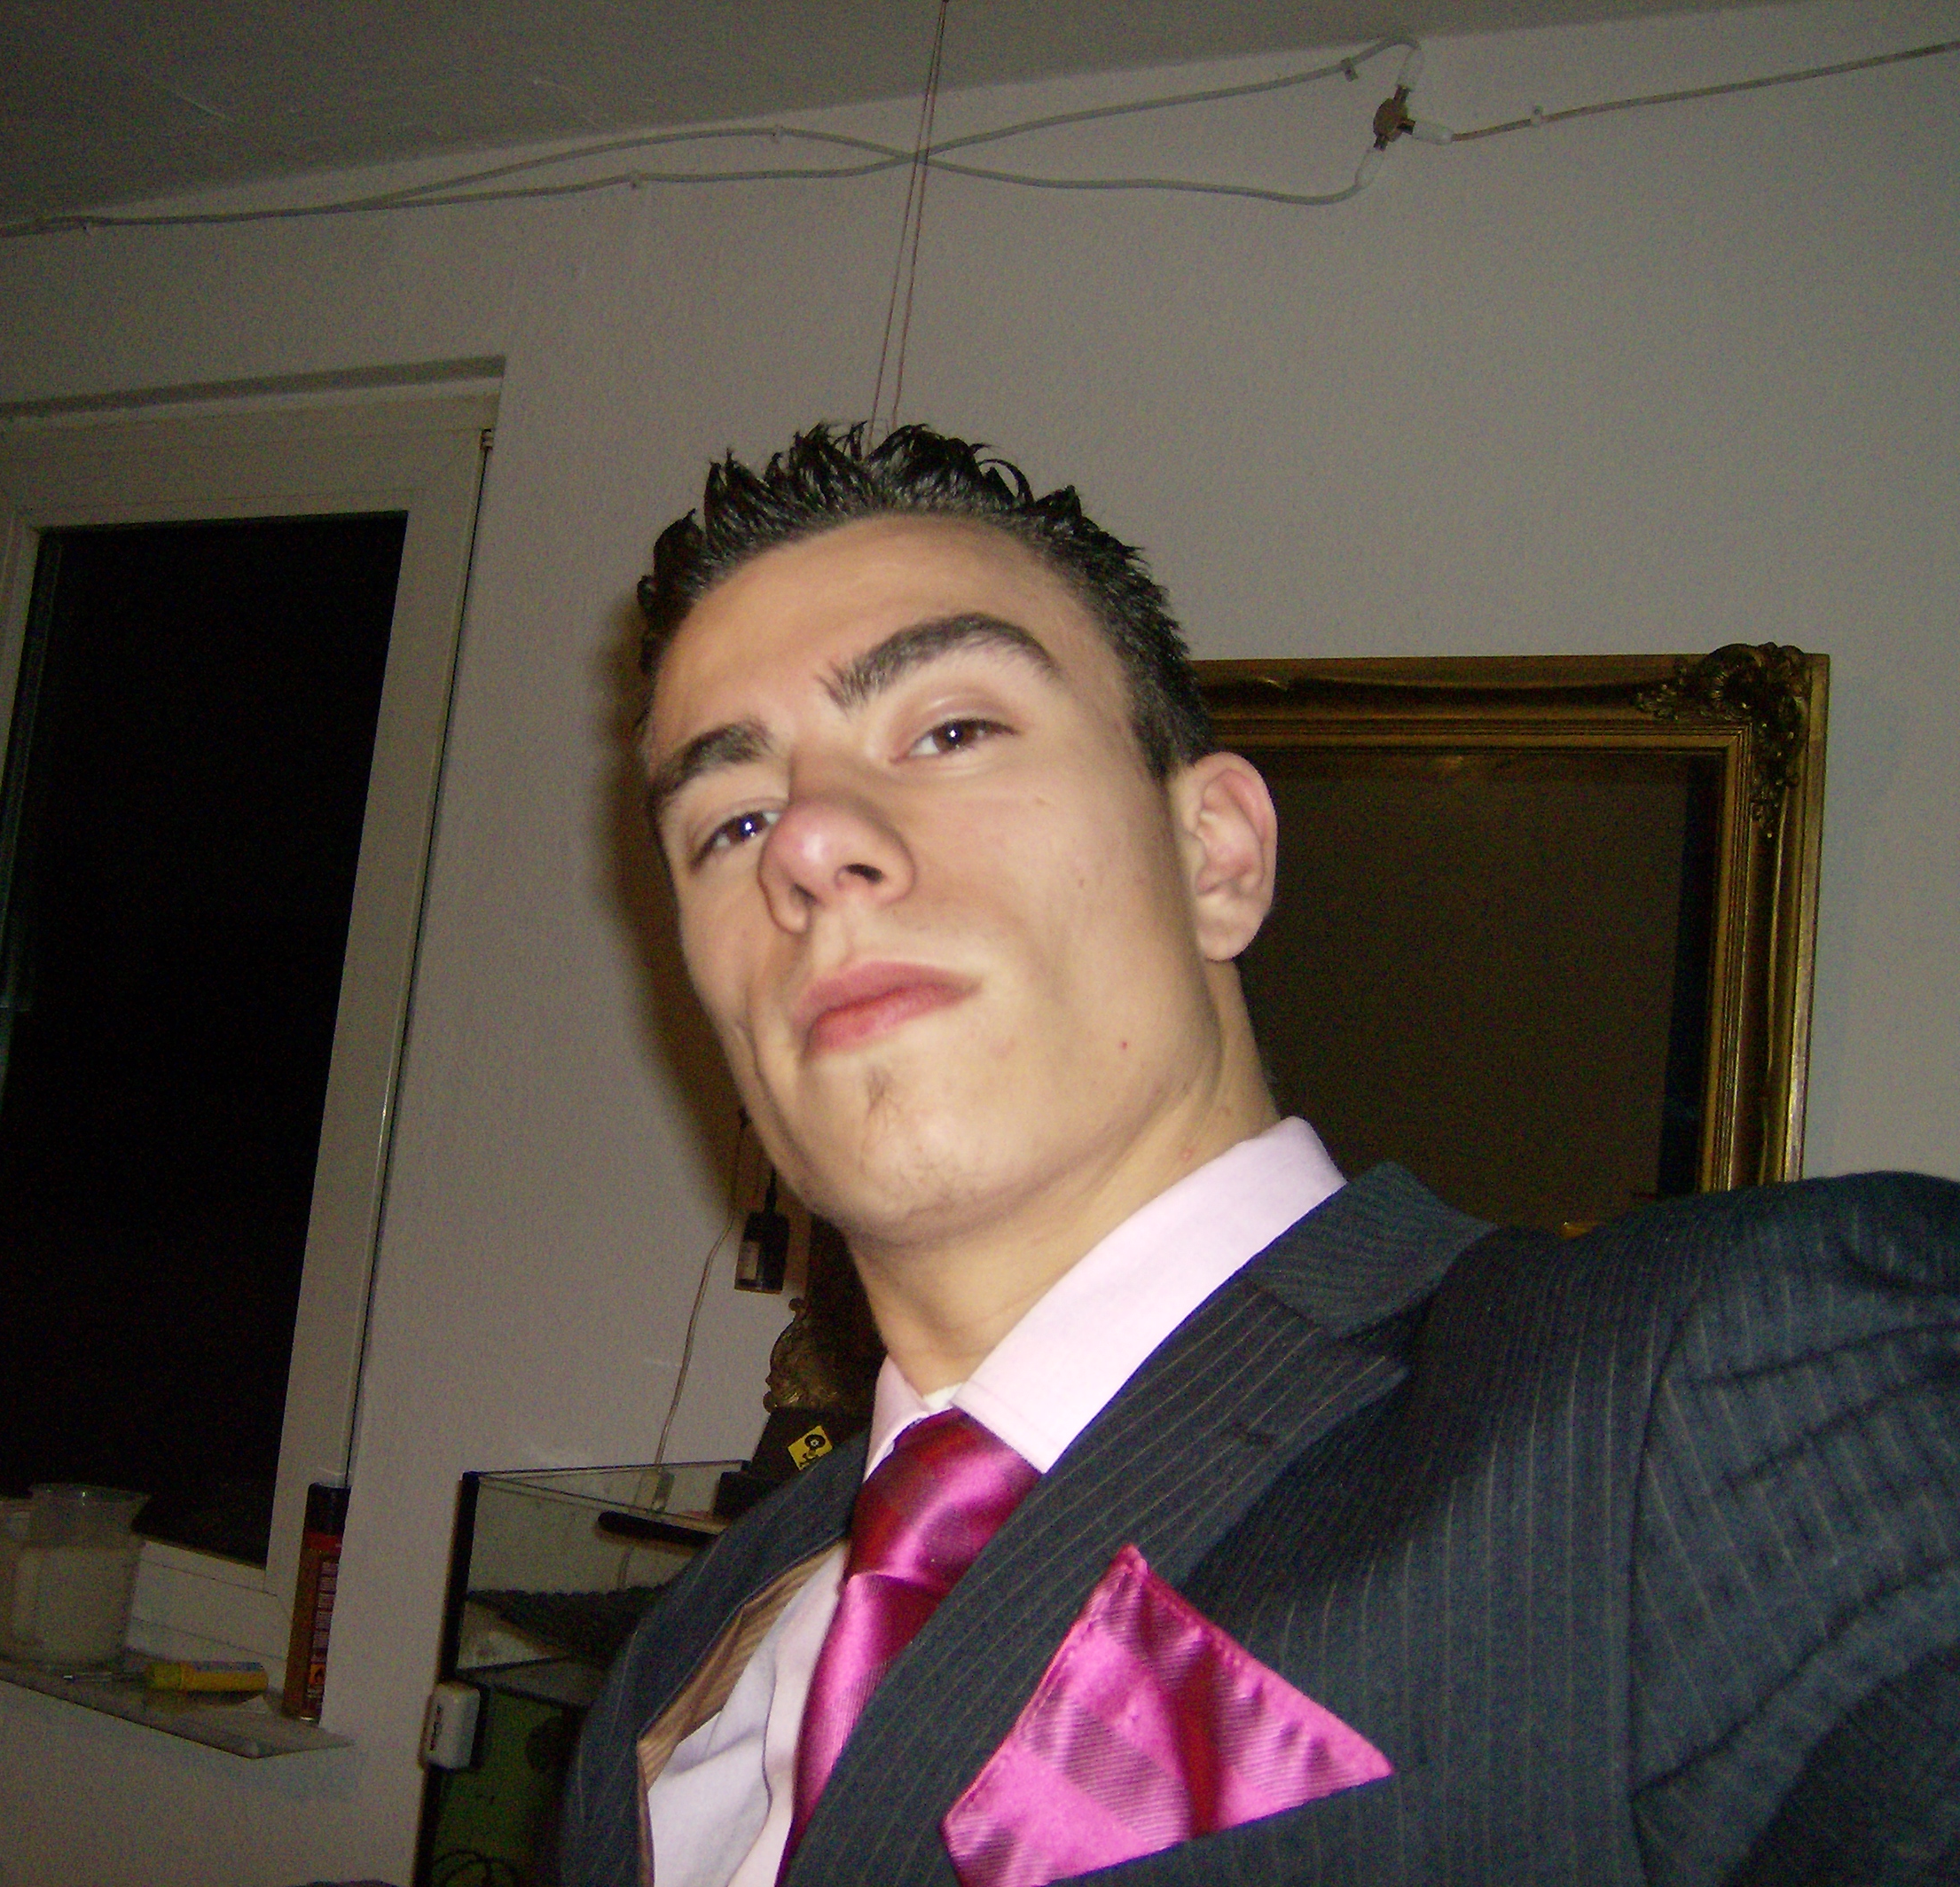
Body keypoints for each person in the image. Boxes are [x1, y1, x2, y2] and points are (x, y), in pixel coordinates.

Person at [560, 422, 1960, 1887]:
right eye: (732, 820)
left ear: (1216, 853)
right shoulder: (690, 1659)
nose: (808, 844)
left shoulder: (1711, 1391)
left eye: (951, 732)